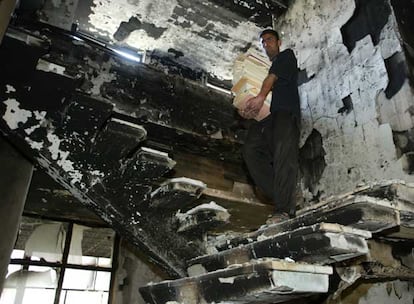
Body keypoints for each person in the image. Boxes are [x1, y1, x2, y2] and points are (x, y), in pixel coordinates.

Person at [239, 29, 300, 223]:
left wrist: (260, 97)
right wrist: (246, 109)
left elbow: (272, 79)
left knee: (283, 154)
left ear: (279, 41)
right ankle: (284, 196)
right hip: (270, 117)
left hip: (286, 114)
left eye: (269, 40)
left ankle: (284, 209)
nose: (266, 44)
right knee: (250, 150)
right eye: (263, 42)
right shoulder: (268, 68)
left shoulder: (286, 56)